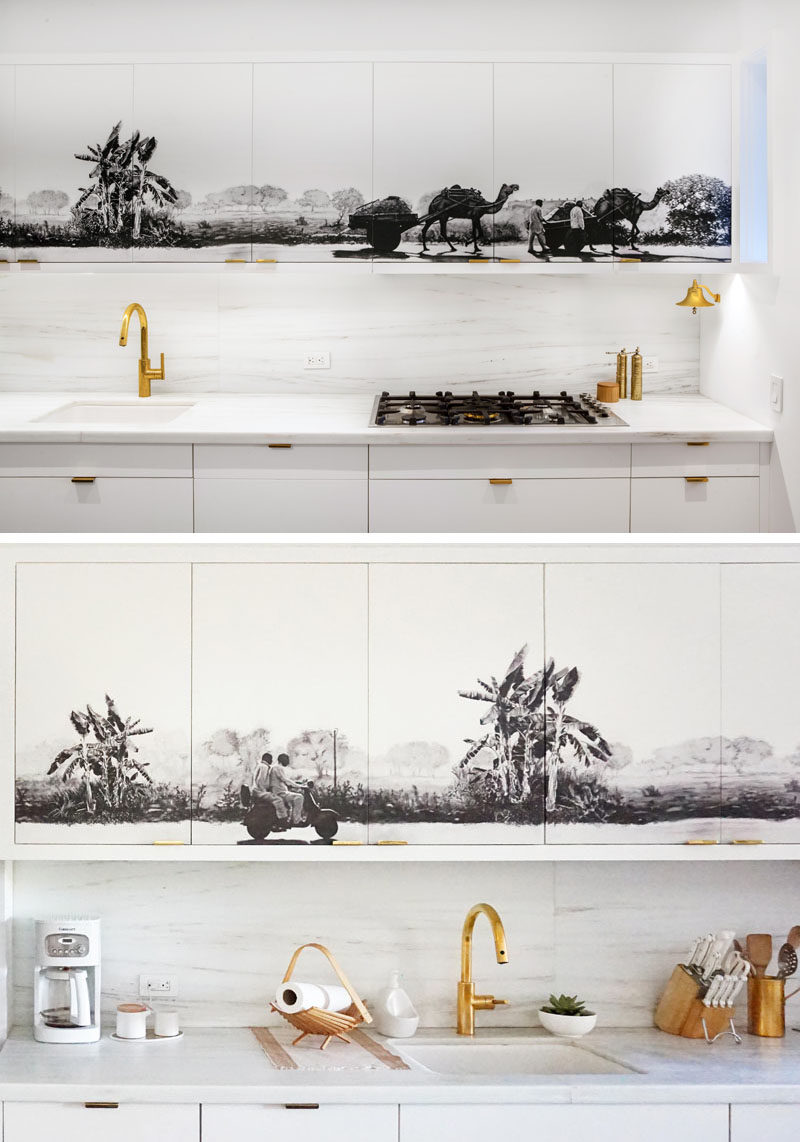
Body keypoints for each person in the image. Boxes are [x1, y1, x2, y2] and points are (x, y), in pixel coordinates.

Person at [269, 753, 305, 827]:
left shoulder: (276, 768)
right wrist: (299, 786)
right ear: (282, 760)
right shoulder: (277, 768)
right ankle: (296, 820)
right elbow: (285, 780)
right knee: (299, 797)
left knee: (295, 796)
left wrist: (295, 784)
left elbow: (284, 780)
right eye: (287, 760)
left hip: (280, 791)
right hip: (280, 793)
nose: (288, 762)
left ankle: (291, 818)